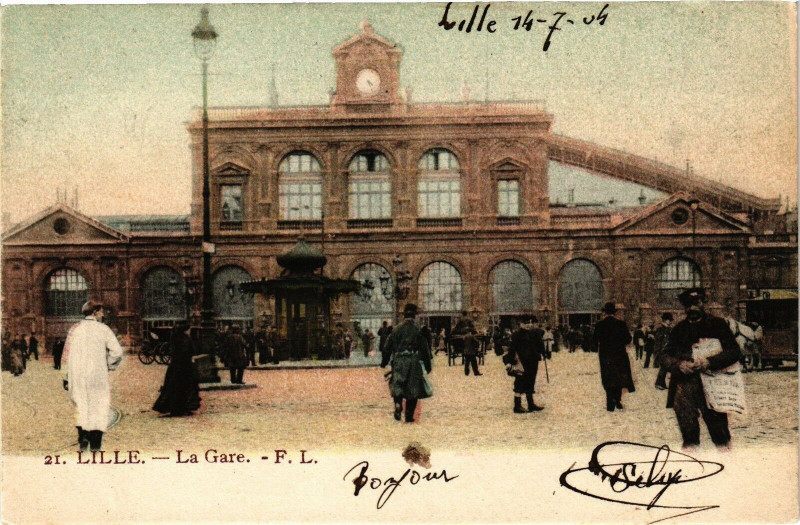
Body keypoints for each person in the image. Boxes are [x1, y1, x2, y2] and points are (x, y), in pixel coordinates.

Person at [660, 288, 741, 450]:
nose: (692, 308)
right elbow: (664, 356)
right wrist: (678, 365)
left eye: (696, 303)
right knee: (688, 435)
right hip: (685, 387)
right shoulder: (679, 329)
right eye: (688, 305)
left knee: (720, 433)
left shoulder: (717, 325)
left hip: (713, 386)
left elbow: (734, 351)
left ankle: (727, 461)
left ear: (703, 303)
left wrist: (709, 362)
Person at [64, 300, 124, 452]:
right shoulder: (103, 329)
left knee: (81, 406)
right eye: (101, 312)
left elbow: (66, 355)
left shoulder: (75, 329)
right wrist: (107, 365)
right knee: (98, 406)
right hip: (97, 375)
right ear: (95, 312)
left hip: (77, 375)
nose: (103, 315)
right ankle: (95, 444)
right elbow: (117, 352)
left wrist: (66, 376)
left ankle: (83, 440)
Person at [381, 303, 432, 423]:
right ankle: (409, 416)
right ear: (415, 315)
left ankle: (398, 404)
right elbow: (425, 348)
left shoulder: (396, 329)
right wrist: (428, 365)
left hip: (398, 360)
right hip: (413, 360)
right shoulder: (418, 329)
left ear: (404, 315)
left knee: (398, 384)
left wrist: (384, 362)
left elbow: (387, 347)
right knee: (413, 389)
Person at [592, 302, 634, 412]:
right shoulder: (621, 324)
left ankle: (610, 403)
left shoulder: (599, 325)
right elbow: (628, 339)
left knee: (608, 377)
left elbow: (594, 340)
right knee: (618, 377)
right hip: (619, 355)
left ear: (605, 312)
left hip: (605, 356)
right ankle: (618, 400)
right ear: (614, 312)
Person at [153, 322, 201, 417]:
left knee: (174, 387)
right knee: (183, 388)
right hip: (184, 367)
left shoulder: (176, 338)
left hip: (175, 367)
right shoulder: (185, 339)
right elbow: (187, 352)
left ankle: (176, 408)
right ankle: (181, 409)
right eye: (189, 329)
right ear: (186, 330)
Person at [503, 317, 544, 413]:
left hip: (532, 362)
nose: (529, 324)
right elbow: (512, 348)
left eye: (530, 322)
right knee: (519, 383)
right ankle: (517, 406)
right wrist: (509, 361)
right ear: (520, 323)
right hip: (521, 363)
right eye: (526, 323)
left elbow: (537, 345)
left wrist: (539, 354)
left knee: (531, 381)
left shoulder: (532, 333)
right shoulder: (516, 335)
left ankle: (531, 404)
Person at [653, 313, 674, 389]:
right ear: (664, 320)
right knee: (664, 367)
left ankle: (661, 383)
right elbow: (658, 342)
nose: (670, 322)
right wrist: (658, 352)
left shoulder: (668, 329)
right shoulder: (660, 329)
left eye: (671, 320)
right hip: (662, 351)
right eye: (669, 320)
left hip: (667, 351)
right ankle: (658, 383)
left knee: (665, 367)